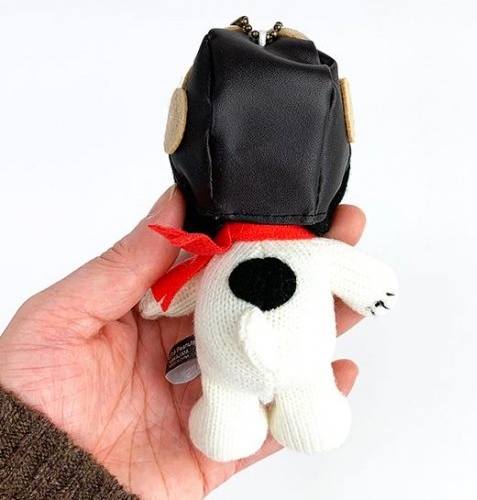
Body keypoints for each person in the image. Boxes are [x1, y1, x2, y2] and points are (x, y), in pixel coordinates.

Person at [0, 186, 367, 499]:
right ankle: (237, 415)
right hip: (229, 373)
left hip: (290, 367)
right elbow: (178, 292)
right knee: (228, 410)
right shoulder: (224, 257)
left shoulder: (293, 254)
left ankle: (303, 406)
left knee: (302, 400)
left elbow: (357, 275)